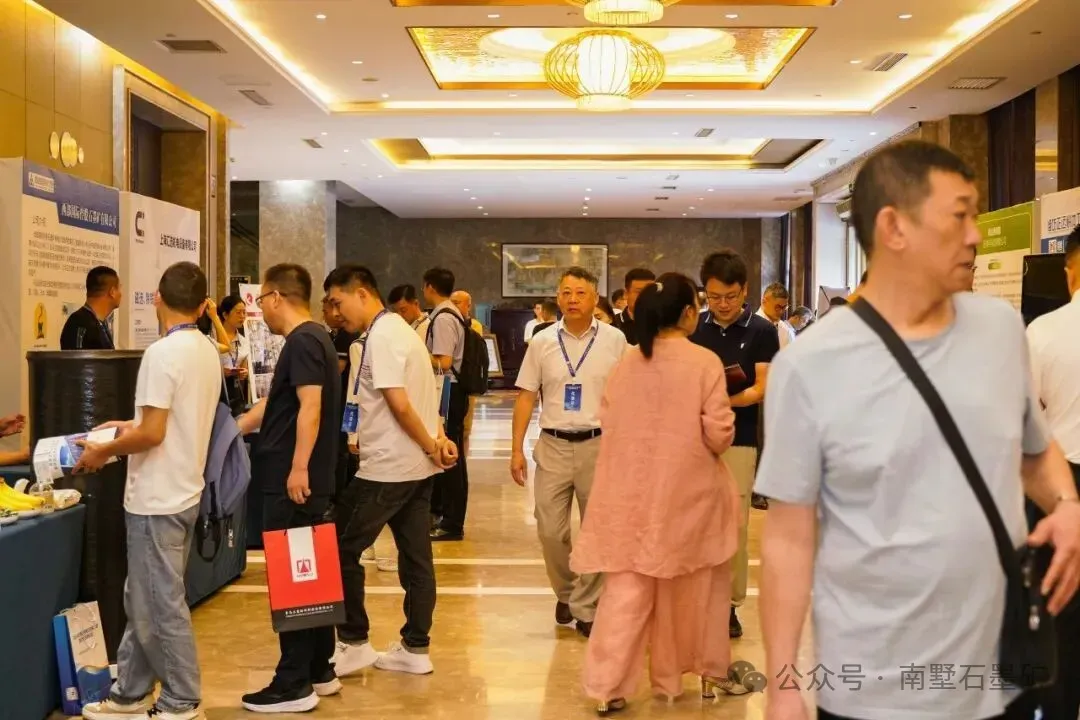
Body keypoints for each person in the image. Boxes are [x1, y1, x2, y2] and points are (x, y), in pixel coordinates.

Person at [756, 140, 1080, 720]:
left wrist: (1066, 503)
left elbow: (1033, 451)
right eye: (959, 216)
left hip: (1001, 673)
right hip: (872, 686)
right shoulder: (809, 365)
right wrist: (782, 685)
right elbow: (788, 537)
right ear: (894, 228)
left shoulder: (1000, 330)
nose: (976, 235)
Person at [571, 272, 742, 714]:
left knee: (625, 593)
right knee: (692, 589)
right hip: (688, 495)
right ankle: (689, 674)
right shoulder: (703, 362)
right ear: (687, 313)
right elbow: (719, 433)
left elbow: (609, 419)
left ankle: (607, 686)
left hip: (629, 495)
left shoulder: (628, 362)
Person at [77, 261, 223, 720]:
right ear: (202, 306)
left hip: (157, 497)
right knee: (144, 597)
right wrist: (128, 426)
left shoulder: (161, 354)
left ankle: (181, 697)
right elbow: (165, 421)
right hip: (183, 489)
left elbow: (154, 433)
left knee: (157, 604)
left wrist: (104, 450)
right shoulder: (205, 349)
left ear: (157, 298)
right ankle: (131, 691)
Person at [323, 265, 458, 679]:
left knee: (338, 547)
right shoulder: (402, 331)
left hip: (388, 469)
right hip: (415, 469)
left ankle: (353, 641)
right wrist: (436, 440)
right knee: (416, 558)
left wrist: (431, 444)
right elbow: (425, 397)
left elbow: (400, 404)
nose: (335, 312)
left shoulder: (382, 337)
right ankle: (415, 647)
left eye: (338, 302)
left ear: (362, 293)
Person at [236, 264, 342, 714]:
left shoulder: (302, 341)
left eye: (262, 300)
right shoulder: (315, 339)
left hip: (292, 483)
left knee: (294, 580)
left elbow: (309, 407)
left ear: (277, 297)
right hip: (301, 480)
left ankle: (292, 684)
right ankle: (319, 668)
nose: (261, 309)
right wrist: (235, 428)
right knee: (310, 577)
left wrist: (298, 467)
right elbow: (280, 404)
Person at [510, 266, 628, 637]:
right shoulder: (542, 340)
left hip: (600, 445)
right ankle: (567, 591)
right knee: (549, 530)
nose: (572, 299)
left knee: (598, 531)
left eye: (580, 293)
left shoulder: (615, 340)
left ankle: (586, 606)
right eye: (565, 292)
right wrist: (516, 449)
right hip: (553, 445)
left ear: (595, 298)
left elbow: (631, 394)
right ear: (557, 297)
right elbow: (526, 396)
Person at [690, 249, 779, 640]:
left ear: (744, 291)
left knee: (734, 525)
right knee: (694, 523)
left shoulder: (761, 331)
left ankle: (729, 604)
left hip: (739, 439)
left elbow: (762, 387)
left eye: (730, 297)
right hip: (694, 440)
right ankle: (695, 600)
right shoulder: (694, 326)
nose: (722, 304)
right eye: (714, 297)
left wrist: (720, 401)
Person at [1025, 225, 1080, 720]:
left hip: (1060, 484)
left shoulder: (1042, 331)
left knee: (1060, 609)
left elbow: (1026, 418)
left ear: (1071, 270)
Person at [423, 267, 470, 542]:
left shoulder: (443, 318)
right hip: (451, 390)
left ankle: (452, 522)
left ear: (429, 287)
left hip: (449, 391)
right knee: (454, 454)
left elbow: (444, 361)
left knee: (450, 454)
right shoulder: (450, 314)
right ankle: (450, 518)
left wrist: (419, 353)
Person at [450, 289, 483, 458]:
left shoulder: (474, 325)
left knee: (465, 429)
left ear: (468, 306)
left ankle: (463, 460)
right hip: (449, 382)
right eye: (451, 303)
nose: (453, 307)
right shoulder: (446, 322)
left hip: (466, 381)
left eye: (457, 303)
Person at [60, 265, 122, 350]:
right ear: (112, 292)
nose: (121, 294)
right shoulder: (79, 323)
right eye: (119, 288)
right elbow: (76, 357)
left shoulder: (101, 324)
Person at [215, 295, 251, 413]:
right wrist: (220, 372)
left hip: (234, 397)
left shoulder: (244, 341)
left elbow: (244, 367)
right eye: (238, 312)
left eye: (244, 312)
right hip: (214, 394)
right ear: (225, 315)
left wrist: (244, 373)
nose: (242, 316)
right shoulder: (212, 338)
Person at [611, 268, 656, 346]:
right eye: (639, 292)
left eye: (650, 292)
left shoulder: (662, 325)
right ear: (626, 294)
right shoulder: (613, 325)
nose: (646, 296)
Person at [757, 283, 796, 350]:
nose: (781, 312)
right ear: (764, 301)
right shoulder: (752, 327)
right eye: (777, 307)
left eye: (784, 307)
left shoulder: (785, 329)